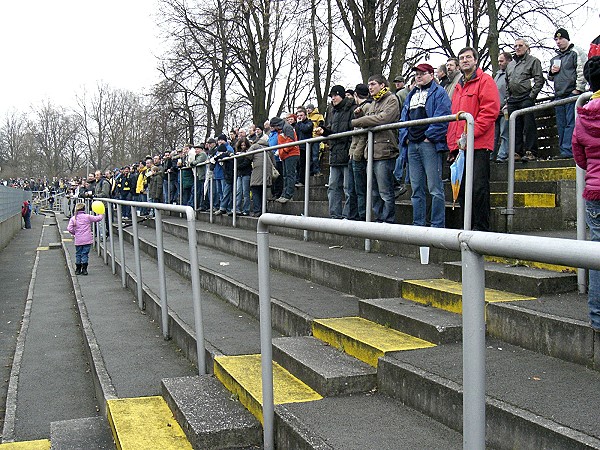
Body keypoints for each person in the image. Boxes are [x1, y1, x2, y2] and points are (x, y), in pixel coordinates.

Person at [447, 47, 500, 232]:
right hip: (461, 147)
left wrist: (470, 134)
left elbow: (490, 111)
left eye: (468, 57)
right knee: (461, 190)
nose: (465, 60)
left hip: (479, 144)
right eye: (462, 58)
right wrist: (453, 145)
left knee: (478, 189)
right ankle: (467, 227)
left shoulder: (485, 81)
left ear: (476, 60)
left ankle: (481, 230)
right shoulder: (458, 86)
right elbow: (454, 118)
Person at [399, 63, 452, 229]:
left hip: (429, 144)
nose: (418, 77)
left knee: (435, 188)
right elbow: (403, 118)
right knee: (416, 188)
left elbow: (443, 116)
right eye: (416, 74)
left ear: (431, 74)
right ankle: (418, 223)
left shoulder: (439, 92)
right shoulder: (411, 94)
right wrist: (406, 137)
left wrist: (429, 136)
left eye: (422, 74)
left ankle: (437, 224)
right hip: (413, 144)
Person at [572, 56, 600, 331]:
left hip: (594, 191)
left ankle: (597, 316)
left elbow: (579, 158)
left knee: (596, 255)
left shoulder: (584, 113)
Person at [351, 74, 400, 223]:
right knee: (373, 192)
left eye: (373, 84)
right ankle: (379, 219)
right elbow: (372, 118)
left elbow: (382, 119)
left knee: (385, 191)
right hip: (370, 152)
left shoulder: (391, 99)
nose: (370, 87)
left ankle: (388, 220)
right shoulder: (372, 103)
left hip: (385, 150)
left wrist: (359, 120)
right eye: (369, 84)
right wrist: (361, 114)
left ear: (382, 85)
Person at [315, 84, 357, 219]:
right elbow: (331, 130)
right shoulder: (331, 111)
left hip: (347, 152)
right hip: (334, 153)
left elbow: (352, 131)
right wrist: (324, 131)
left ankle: (348, 215)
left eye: (335, 95)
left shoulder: (352, 109)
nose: (333, 98)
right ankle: (335, 215)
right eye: (331, 96)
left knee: (348, 188)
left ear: (342, 95)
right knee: (332, 187)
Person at [548, 28, 588, 159]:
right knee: (561, 124)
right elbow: (550, 77)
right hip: (559, 95)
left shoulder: (576, 52)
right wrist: (551, 72)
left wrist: (578, 89)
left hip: (571, 94)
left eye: (560, 39)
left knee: (571, 123)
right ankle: (563, 150)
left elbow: (582, 70)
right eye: (556, 39)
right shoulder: (555, 58)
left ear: (567, 39)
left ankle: (568, 150)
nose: (558, 42)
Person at [505, 38, 545, 162]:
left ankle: (530, 151)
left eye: (520, 45)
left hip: (526, 97)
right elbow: (507, 81)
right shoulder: (510, 64)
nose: (517, 48)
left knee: (529, 125)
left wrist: (531, 96)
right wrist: (508, 97)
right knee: (514, 126)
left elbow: (539, 80)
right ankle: (517, 152)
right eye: (515, 45)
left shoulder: (533, 61)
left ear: (526, 47)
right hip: (513, 99)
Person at [349, 83, 372, 221]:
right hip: (354, 151)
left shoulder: (367, 107)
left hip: (359, 152)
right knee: (353, 188)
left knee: (360, 188)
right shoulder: (360, 108)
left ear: (356, 95)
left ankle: (362, 216)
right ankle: (355, 215)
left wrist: (356, 152)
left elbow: (364, 133)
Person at [67, 202, 104, 275]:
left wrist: (75, 233)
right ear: (84, 209)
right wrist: (101, 213)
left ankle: (78, 269)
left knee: (78, 254)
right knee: (85, 254)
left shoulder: (73, 218)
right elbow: (98, 218)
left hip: (78, 240)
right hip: (87, 239)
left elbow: (69, 228)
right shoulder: (87, 216)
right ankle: (84, 269)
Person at [270, 116, 300, 203]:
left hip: (291, 154)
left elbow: (291, 141)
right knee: (285, 175)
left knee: (289, 175)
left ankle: (288, 194)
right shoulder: (281, 130)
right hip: (285, 155)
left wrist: (282, 151)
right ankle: (285, 194)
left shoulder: (287, 128)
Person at [247, 134, 276, 217]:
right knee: (263, 191)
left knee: (255, 190)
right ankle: (264, 210)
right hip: (267, 172)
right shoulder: (268, 148)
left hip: (257, 171)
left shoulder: (255, 146)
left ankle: (257, 211)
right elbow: (274, 163)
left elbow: (248, 155)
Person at [492, 52, 512, 163]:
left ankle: (502, 155)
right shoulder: (497, 75)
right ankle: (492, 155)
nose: (499, 63)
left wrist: (506, 104)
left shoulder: (511, 73)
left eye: (502, 61)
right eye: (499, 61)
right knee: (494, 135)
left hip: (505, 108)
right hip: (496, 109)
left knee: (505, 133)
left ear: (508, 61)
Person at [294, 107, 314, 187]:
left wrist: (300, 123)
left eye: (301, 115)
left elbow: (305, 129)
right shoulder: (297, 125)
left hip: (306, 147)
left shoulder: (309, 123)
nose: (299, 117)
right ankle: (298, 179)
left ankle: (302, 181)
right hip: (299, 147)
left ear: (305, 115)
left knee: (304, 165)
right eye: (298, 115)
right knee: (299, 165)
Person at [306, 104, 325, 176]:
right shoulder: (306, 117)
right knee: (309, 156)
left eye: (309, 108)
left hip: (315, 137)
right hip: (308, 138)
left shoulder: (319, 116)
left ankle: (316, 171)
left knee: (315, 155)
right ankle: (310, 172)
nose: (308, 110)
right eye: (307, 108)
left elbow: (321, 125)